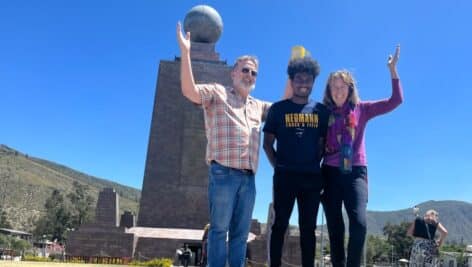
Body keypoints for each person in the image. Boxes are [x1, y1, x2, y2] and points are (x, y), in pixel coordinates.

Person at [177, 22, 287, 267]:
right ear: (234, 73)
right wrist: (186, 53)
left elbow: (284, 108)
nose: (249, 75)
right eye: (245, 70)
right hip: (223, 173)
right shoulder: (218, 93)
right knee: (219, 231)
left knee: (240, 235)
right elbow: (190, 91)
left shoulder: (258, 106)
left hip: (249, 180)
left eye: (253, 73)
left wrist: (292, 73)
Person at [321, 45, 403, 267]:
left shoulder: (362, 109)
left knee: (359, 224)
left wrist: (392, 70)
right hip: (328, 173)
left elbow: (395, 101)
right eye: (333, 87)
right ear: (329, 90)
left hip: (355, 171)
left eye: (342, 87)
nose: (338, 91)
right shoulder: (322, 112)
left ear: (350, 89)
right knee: (335, 228)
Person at [263, 54, 328, 267]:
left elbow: (321, 145)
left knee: (308, 228)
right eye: (298, 78)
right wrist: (279, 166)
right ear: (291, 80)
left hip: (311, 178)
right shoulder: (278, 109)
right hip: (284, 176)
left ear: (313, 82)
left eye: (308, 79)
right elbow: (267, 144)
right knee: (280, 225)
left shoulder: (321, 111)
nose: (303, 83)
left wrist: (309, 164)